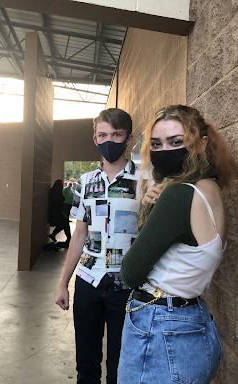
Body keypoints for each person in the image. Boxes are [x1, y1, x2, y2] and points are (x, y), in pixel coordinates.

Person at [117, 105, 237, 383]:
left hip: (159, 327)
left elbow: (131, 273)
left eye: (176, 142)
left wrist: (147, 211)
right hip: (194, 323)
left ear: (200, 144)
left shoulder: (178, 196)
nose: (164, 151)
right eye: (156, 144)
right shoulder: (211, 189)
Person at [55, 108, 140, 384]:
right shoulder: (86, 182)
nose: (109, 141)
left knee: (120, 366)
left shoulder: (144, 180)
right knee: (86, 365)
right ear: (95, 139)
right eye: (102, 135)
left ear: (128, 138)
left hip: (125, 284)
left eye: (116, 135)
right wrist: (63, 283)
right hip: (88, 281)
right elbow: (79, 234)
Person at [48, 179, 71, 245]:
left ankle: (54, 234)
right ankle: (69, 239)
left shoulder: (52, 193)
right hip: (56, 215)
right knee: (65, 223)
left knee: (65, 223)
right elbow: (59, 206)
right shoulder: (58, 195)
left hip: (54, 214)